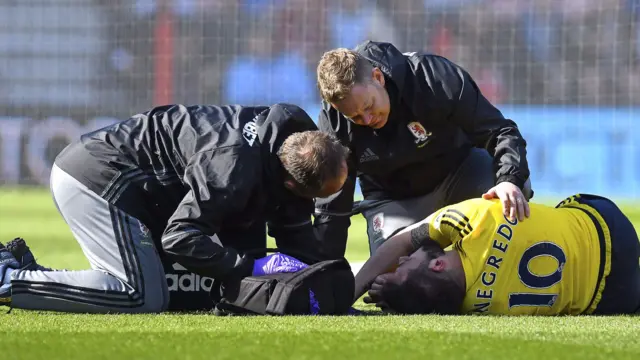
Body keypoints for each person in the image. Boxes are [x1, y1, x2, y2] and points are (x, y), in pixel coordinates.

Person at [0, 103, 350, 314]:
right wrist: (246, 265)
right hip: (96, 177)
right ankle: (7, 280)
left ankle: (25, 270)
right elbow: (179, 237)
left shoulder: (289, 144)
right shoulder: (231, 168)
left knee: (202, 293)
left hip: (137, 187)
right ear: (293, 185)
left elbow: (293, 230)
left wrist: (325, 290)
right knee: (140, 295)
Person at [313, 41, 533, 259]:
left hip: (459, 172)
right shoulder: (334, 123)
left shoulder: (433, 78)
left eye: (368, 106)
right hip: (394, 198)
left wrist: (508, 180)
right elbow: (332, 199)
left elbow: (500, 131)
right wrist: (325, 267)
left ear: (378, 77)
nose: (367, 119)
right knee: (393, 279)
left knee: (513, 192)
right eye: (356, 117)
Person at [355, 194, 640, 315]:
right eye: (406, 266)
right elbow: (403, 240)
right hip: (607, 228)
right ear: (439, 264)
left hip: (612, 299)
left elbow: (422, 299)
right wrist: (351, 291)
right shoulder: (474, 220)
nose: (403, 259)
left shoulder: (468, 307)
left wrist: (400, 295)